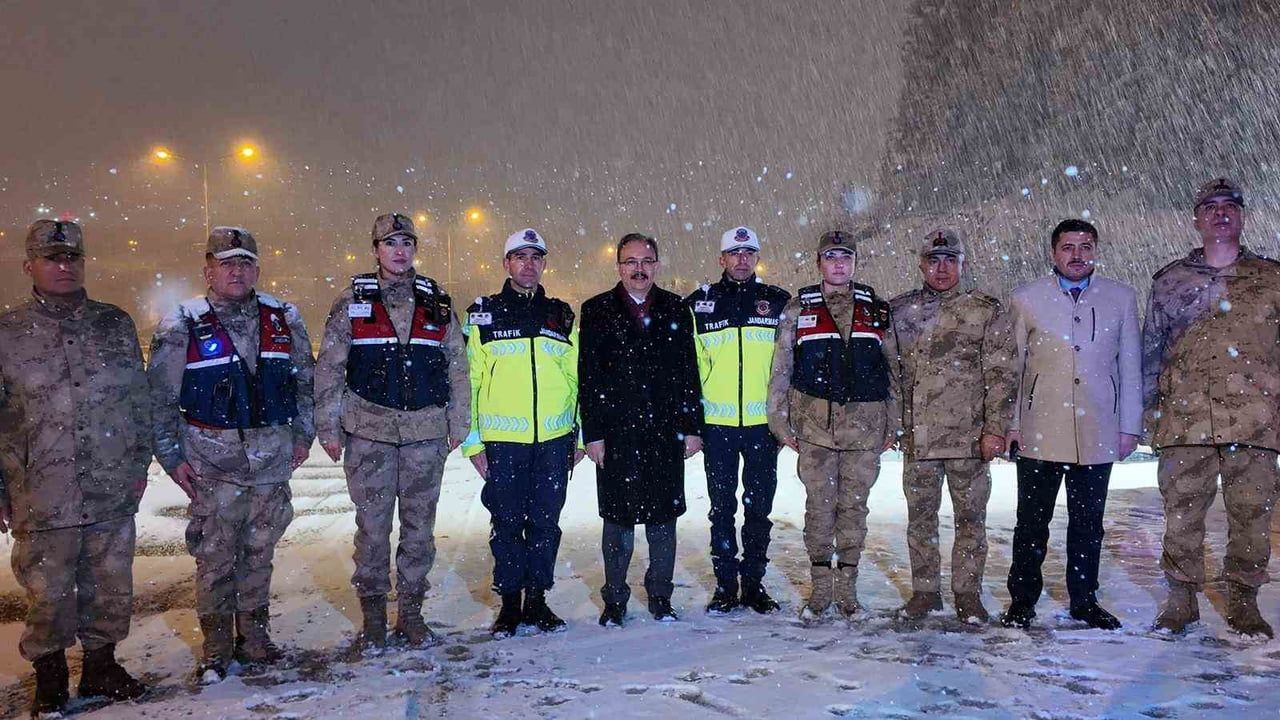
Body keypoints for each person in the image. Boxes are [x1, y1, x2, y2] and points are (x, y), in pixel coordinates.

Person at [149, 226, 315, 679]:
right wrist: (170, 457)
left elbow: (304, 384)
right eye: (226, 264)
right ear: (208, 270)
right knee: (216, 559)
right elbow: (160, 398)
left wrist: (303, 435)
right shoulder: (182, 322)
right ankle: (217, 650)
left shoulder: (283, 316)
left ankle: (257, 640)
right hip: (211, 465)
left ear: (257, 269)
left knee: (261, 553)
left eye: (244, 263)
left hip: (270, 463)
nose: (236, 271)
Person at [0, 220, 150, 715]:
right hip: (42, 488)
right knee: (47, 591)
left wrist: (139, 463)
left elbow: (138, 401)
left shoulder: (114, 324)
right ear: (29, 267)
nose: (63, 267)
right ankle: (50, 674)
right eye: (51, 258)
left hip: (109, 482)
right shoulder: (8, 333)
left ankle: (102, 666)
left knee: (111, 584)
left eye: (71, 259)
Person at [315, 213, 469, 650]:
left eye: (406, 242)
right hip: (369, 433)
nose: (399, 251)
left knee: (419, 528)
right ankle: (374, 619)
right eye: (390, 243)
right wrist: (327, 424)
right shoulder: (351, 301)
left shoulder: (436, 300)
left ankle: (413, 616)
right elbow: (329, 367)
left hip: (424, 433)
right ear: (376, 249)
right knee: (372, 528)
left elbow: (457, 365)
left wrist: (459, 420)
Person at [1143, 178, 1280, 637]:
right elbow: (1151, 353)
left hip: (1256, 422)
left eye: (1229, 207)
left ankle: (1244, 601)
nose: (1220, 214)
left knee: (1252, 515)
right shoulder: (1169, 282)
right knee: (1182, 515)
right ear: (1197, 219)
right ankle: (1181, 600)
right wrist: (1148, 416)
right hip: (1186, 422)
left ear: (1241, 217)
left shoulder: (1271, 278)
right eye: (1210, 208)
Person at [1000, 218, 1140, 631]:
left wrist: (1128, 425)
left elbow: (1128, 367)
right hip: (1039, 428)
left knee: (1088, 524)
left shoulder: (1120, 298)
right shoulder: (1027, 299)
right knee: (1031, 524)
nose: (1077, 255)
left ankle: (1084, 600)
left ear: (1095, 249)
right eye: (1068, 247)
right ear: (1053, 252)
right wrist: (1011, 423)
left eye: (1085, 246)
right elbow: (1014, 369)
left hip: (1097, 428)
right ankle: (1022, 601)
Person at [767, 229, 901, 622]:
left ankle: (848, 590)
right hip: (815, 430)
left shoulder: (876, 308)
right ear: (819, 263)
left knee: (854, 509)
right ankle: (820, 588)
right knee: (819, 509)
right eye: (831, 258)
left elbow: (892, 370)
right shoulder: (798, 309)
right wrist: (779, 418)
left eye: (846, 258)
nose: (839, 265)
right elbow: (782, 368)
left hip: (864, 428)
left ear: (855, 263)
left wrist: (893, 422)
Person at [889, 228, 1016, 623]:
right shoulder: (901, 311)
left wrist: (995, 429)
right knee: (920, 520)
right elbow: (891, 373)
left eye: (950, 260)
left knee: (971, 522)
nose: (941, 268)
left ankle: (968, 595)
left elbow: (1002, 374)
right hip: (920, 438)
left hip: (969, 439)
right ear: (921, 264)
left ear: (962, 264)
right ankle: (925, 593)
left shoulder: (985, 309)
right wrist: (895, 426)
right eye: (933, 260)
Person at [461, 228, 583, 637]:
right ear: (506, 264)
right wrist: (472, 440)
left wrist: (577, 436)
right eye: (519, 257)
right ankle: (510, 604)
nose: (528, 264)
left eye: (535, 257)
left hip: (552, 442)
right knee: (508, 522)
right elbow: (470, 380)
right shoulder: (483, 313)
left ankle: (538, 600)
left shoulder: (561, 314)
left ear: (544, 263)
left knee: (546, 523)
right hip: (503, 443)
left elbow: (576, 379)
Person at [579, 233, 704, 626]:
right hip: (616, 435)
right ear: (618, 266)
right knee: (617, 521)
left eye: (646, 260)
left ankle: (660, 595)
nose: (638, 268)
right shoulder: (596, 310)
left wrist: (692, 427)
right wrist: (593, 433)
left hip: (664, 433)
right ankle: (614, 599)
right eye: (630, 261)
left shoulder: (676, 309)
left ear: (657, 264)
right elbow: (590, 377)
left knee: (663, 520)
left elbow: (688, 372)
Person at [686, 226, 790, 615]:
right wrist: (693, 425)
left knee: (759, 508)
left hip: (763, 427)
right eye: (734, 253)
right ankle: (726, 586)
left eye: (749, 253)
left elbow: (788, 367)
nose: (742, 259)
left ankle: (755, 585)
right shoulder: (699, 304)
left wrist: (784, 419)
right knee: (722, 509)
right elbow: (689, 371)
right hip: (718, 428)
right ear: (722, 259)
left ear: (757, 257)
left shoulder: (778, 302)